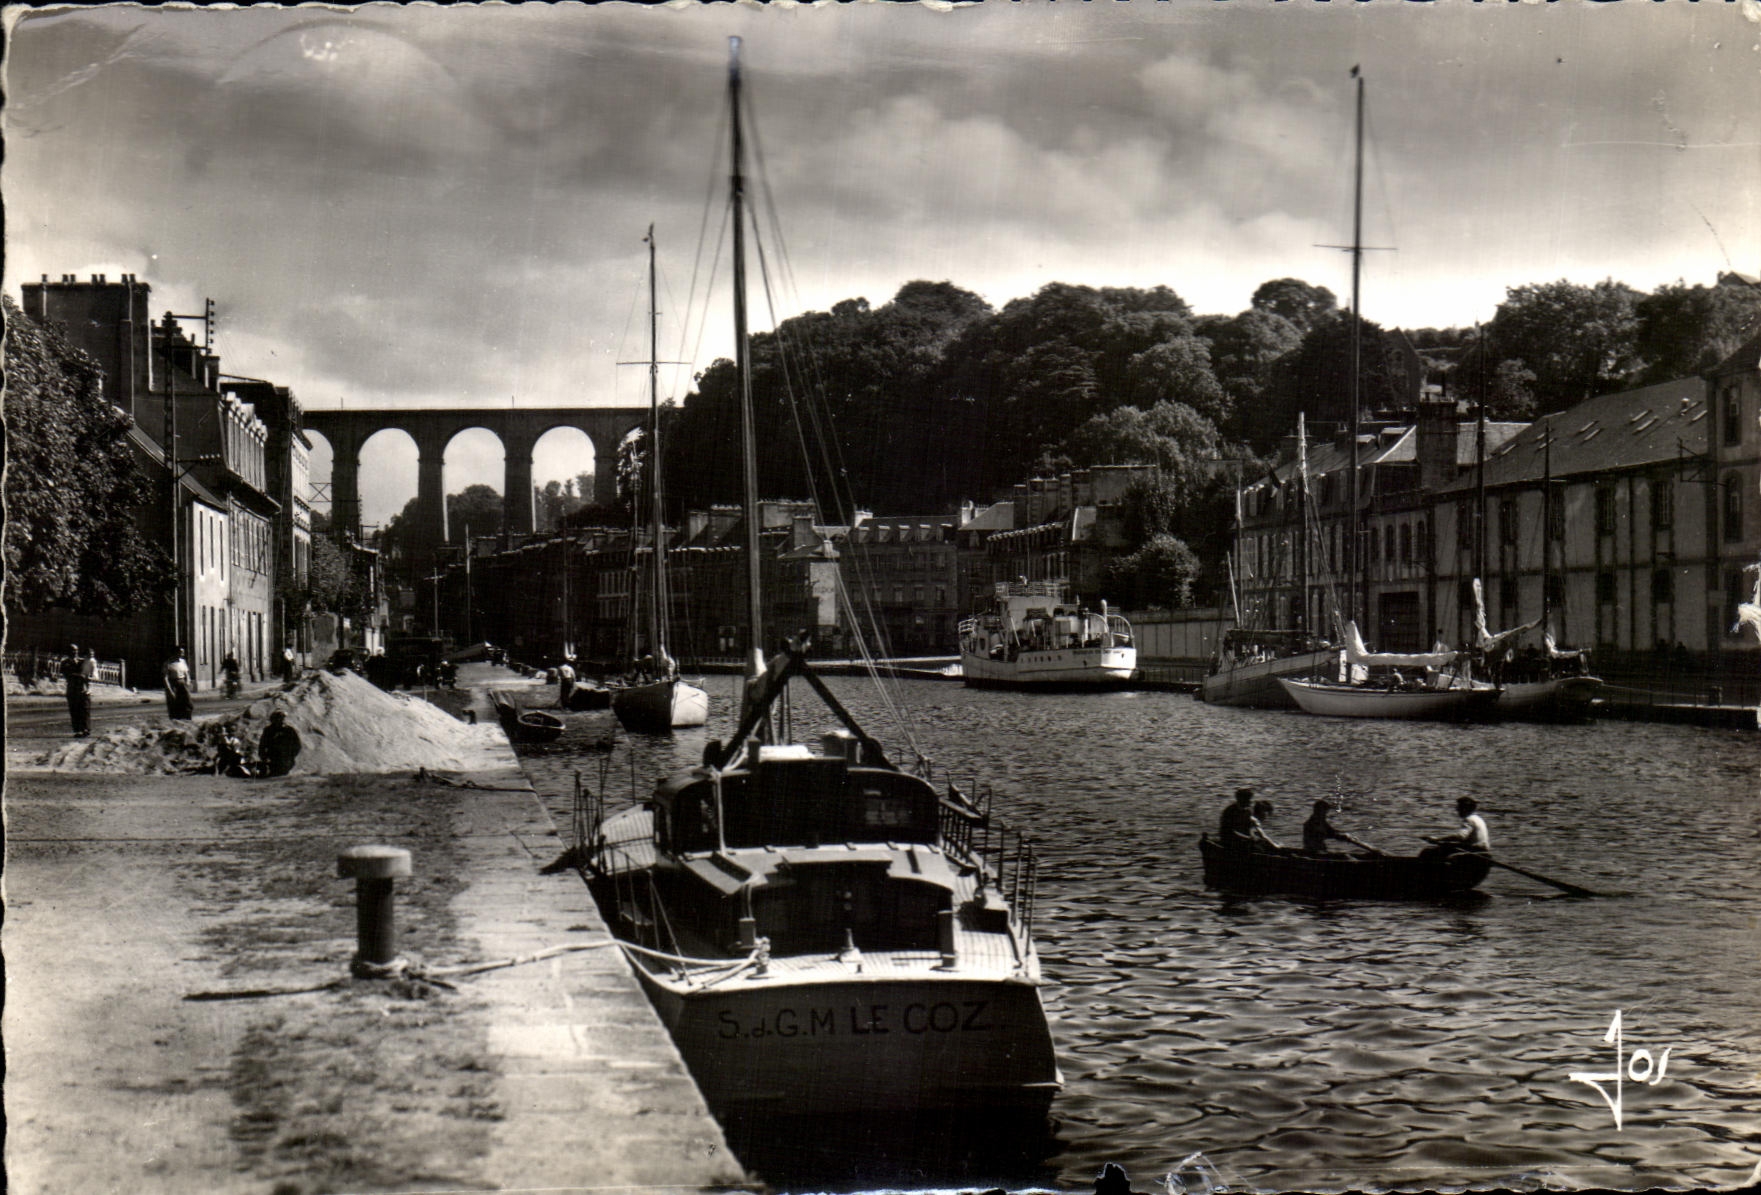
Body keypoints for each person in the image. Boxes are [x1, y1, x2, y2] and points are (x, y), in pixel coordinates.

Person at [1422, 797, 1491, 859]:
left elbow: (1461, 836)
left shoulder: (1469, 819)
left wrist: (1438, 839)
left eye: (1458, 808)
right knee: (1446, 846)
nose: (1457, 810)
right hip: (1483, 850)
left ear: (1464, 808)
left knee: (1428, 851)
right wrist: (1444, 842)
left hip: (1474, 851)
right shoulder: (1478, 819)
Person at [1303, 798, 1371, 855]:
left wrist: (1343, 836)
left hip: (1321, 851)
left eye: (1326, 811)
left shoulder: (1322, 822)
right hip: (1313, 852)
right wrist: (1338, 836)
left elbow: (1332, 832)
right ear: (1318, 811)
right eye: (1324, 811)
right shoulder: (1311, 824)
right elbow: (1327, 834)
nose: (1325, 814)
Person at [257, 710, 303, 777]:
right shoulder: (268, 730)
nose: (280, 720)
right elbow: (262, 745)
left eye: (281, 718)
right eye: (278, 718)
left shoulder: (289, 730)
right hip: (273, 759)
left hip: (286, 759)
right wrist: (264, 757)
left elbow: (297, 745)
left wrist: (291, 756)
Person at [61, 644, 93, 737]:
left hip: (83, 688)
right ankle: (78, 730)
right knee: (74, 710)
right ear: (68, 652)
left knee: (85, 709)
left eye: (76, 650)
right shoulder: (65, 663)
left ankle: (86, 728)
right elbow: (67, 675)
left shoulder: (82, 661)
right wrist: (80, 675)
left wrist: (88, 685)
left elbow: (87, 675)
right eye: (72, 650)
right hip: (72, 689)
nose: (74, 652)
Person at [163, 646, 194, 720]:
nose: (182, 654)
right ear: (176, 652)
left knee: (187, 702)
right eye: (181, 652)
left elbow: (186, 673)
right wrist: (169, 690)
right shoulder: (168, 663)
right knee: (174, 703)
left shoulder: (183, 661)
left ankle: (187, 718)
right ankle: (175, 720)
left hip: (183, 683)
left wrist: (188, 682)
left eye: (183, 652)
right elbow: (165, 678)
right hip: (173, 683)